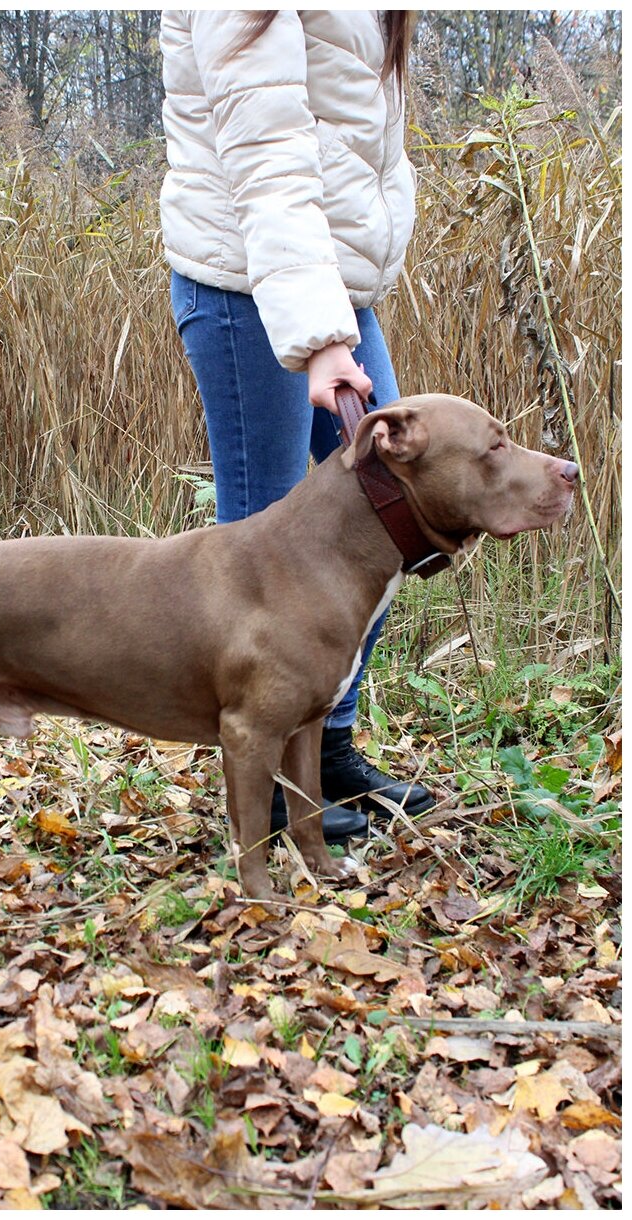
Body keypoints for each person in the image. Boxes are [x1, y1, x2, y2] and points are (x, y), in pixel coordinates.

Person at [159, 10, 434, 843]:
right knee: (263, 566)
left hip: (332, 289)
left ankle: (329, 745)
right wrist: (318, 337)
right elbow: (265, 150)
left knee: (394, 522)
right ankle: (269, 776)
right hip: (252, 290)